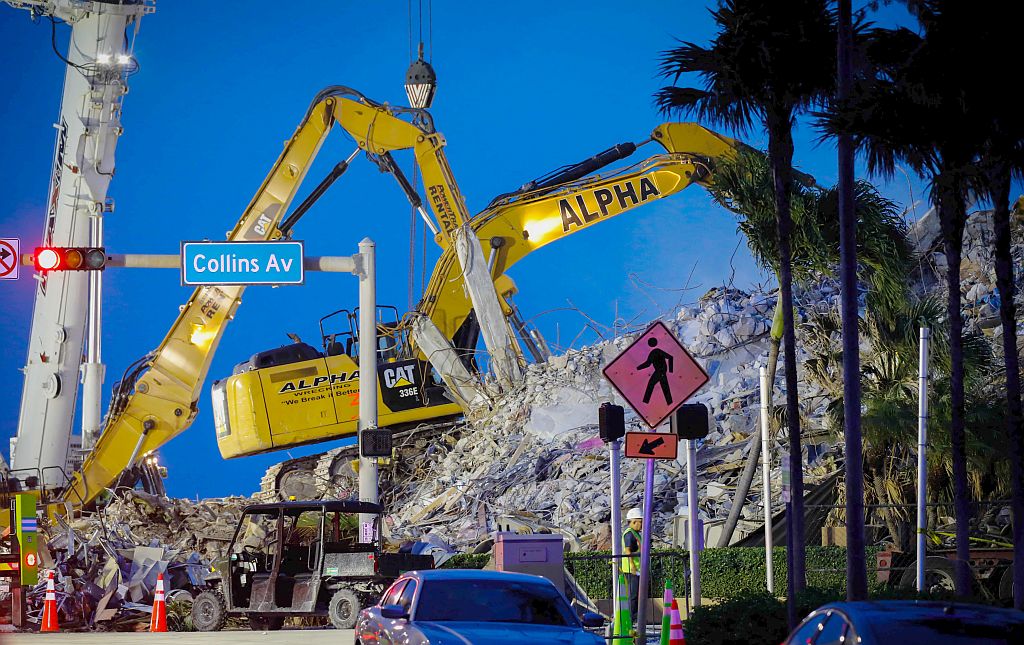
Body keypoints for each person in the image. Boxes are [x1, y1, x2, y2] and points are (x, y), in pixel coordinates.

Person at [622, 507, 644, 622]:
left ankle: (634, 617)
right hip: (632, 570)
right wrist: (632, 566)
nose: (642, 525)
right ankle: (630, 619)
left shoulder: (635, 533)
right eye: (640, 522)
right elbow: (628, 551)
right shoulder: (629, 534)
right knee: (633, 595)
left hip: (637, 569)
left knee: (636, 595)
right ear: (634, 521)